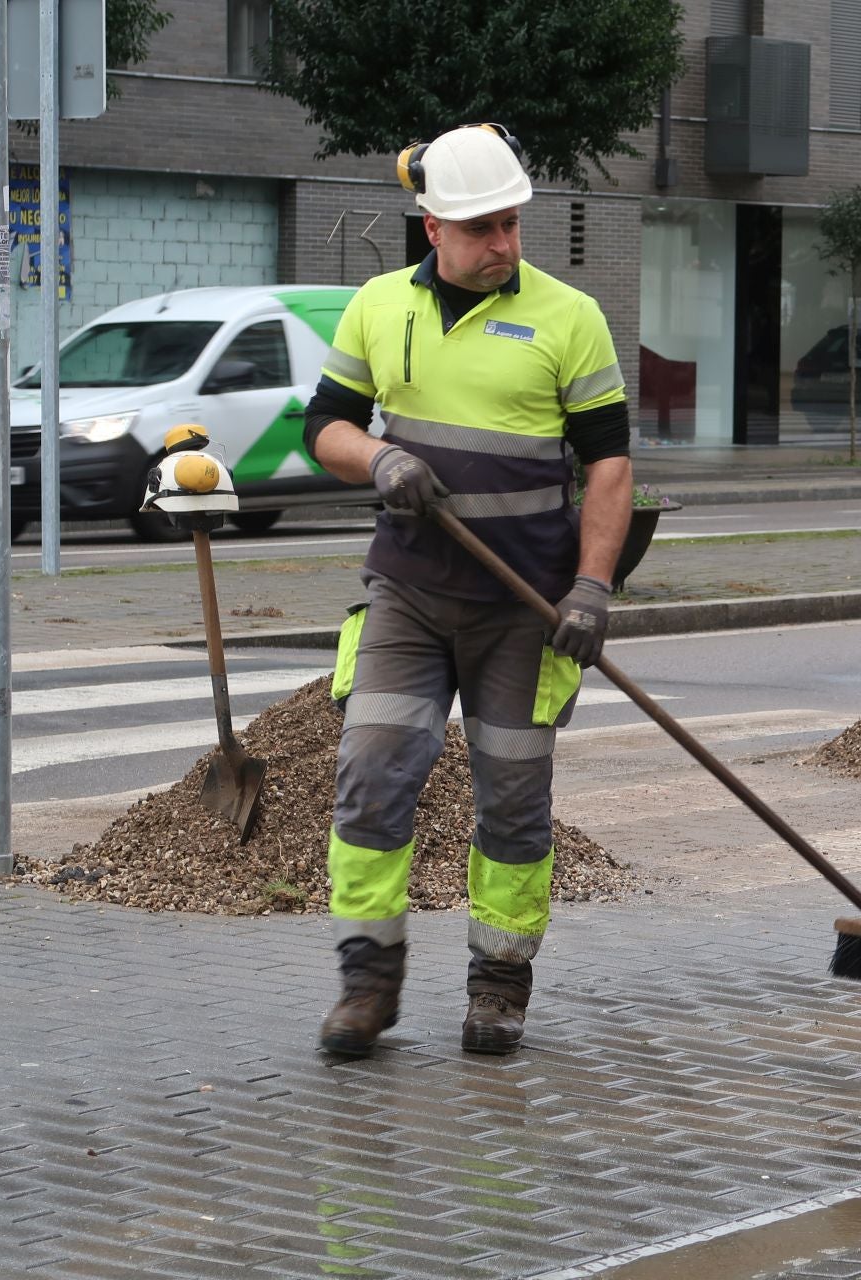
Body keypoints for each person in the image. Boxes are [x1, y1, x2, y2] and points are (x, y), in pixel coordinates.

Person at [301, 124, 633, 1058]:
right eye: (483, 228)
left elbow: (608, 463)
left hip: (522, 611)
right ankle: (368, 984)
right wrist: (379, 458)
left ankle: (498, 986)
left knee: (515, 804)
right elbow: (323, 425)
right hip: (407, 594)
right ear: (432, 229)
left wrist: (593, 588)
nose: (505, 245)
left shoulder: (570, 318)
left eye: (513, 225)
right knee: (370, 783)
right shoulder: (375, 306)